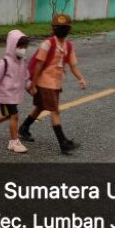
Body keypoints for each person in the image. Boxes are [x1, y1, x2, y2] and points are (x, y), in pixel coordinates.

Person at [18, 14, 87, 154]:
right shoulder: (48, 44)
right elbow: (39, 65)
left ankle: (24, 128)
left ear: (69, 29)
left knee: (40, 107)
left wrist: (81, 78)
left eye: (64, 28)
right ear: (53, 28)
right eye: (59, 28)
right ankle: (63, 143)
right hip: (44, 83)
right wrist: (33, 84)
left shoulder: (68, 45)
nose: (62, 30)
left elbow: (73, 65)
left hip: (55, 84)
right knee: (55, 111)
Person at [0, 30, 31, 153]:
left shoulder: (22, 61)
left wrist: (31, 87)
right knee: (14, 115)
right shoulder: (4, 62)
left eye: (25, 47)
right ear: (12, 45)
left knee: (7, 115)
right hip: (6, 95)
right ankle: (14, 142)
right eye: (20, 46)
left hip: (14, 95)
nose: (23, 49)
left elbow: (26, 76)